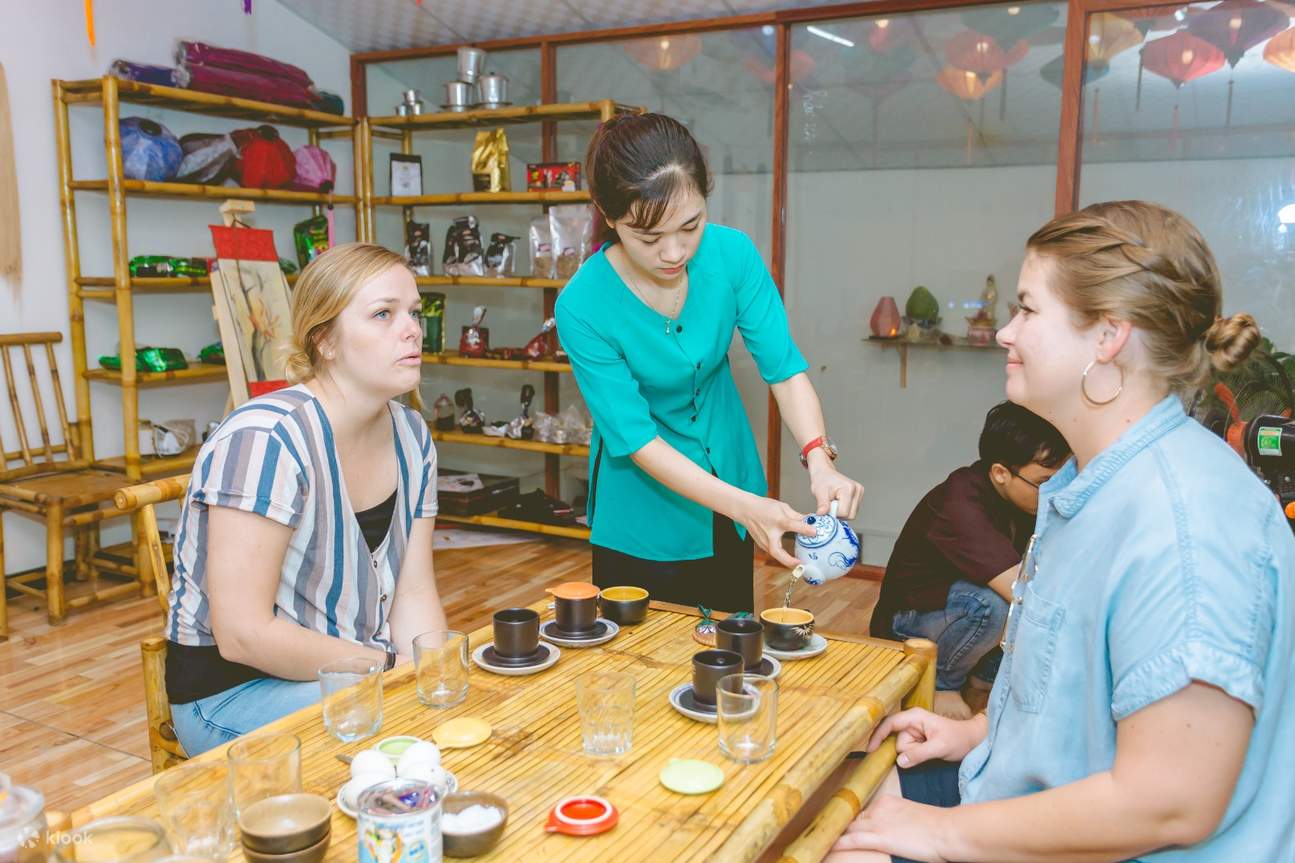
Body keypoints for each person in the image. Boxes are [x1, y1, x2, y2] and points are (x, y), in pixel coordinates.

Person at [829, 201, 1295, 862]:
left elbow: (1170, 799)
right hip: (1009, 797)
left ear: (1107, 336)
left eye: (1026, 309)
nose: (1004, 333)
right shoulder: (1091, 479)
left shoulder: (1184, 524)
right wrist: (977, 734)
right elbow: (1084, 690)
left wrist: (934, 834)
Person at [555, 112, 864, 613]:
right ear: (607, 216)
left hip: (731, 480)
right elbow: (635, 439)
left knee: (725, 653)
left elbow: (783, 369)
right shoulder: (581, 306)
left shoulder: (732, 255)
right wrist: (747, 506)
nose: (673, 252)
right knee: (641, 664)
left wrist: (820, 461)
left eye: (690, 225)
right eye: (648, 238)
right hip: (643, 508)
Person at [166, 243, 447, 756]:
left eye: (414, 311)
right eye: (383, 314)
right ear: (326, 341)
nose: (411, 329)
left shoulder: (412, 435)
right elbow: (243, 635)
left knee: (448, 717)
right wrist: (384, 669)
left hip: (354, 673)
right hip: (231, 693)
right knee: (398, 743)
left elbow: (413, 595)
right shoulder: (265, 439)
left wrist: (431, 677)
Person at [871, 401, 1068, 719]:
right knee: (1002, 605)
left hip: (961, 612)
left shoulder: (1024, 497)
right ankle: (941, 685)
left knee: (1029, 596)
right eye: (1044, 483)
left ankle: (981, 681)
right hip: (909, 624)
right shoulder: (961, 504)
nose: (1056, 492)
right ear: (1001, 473)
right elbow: (1023, 592)